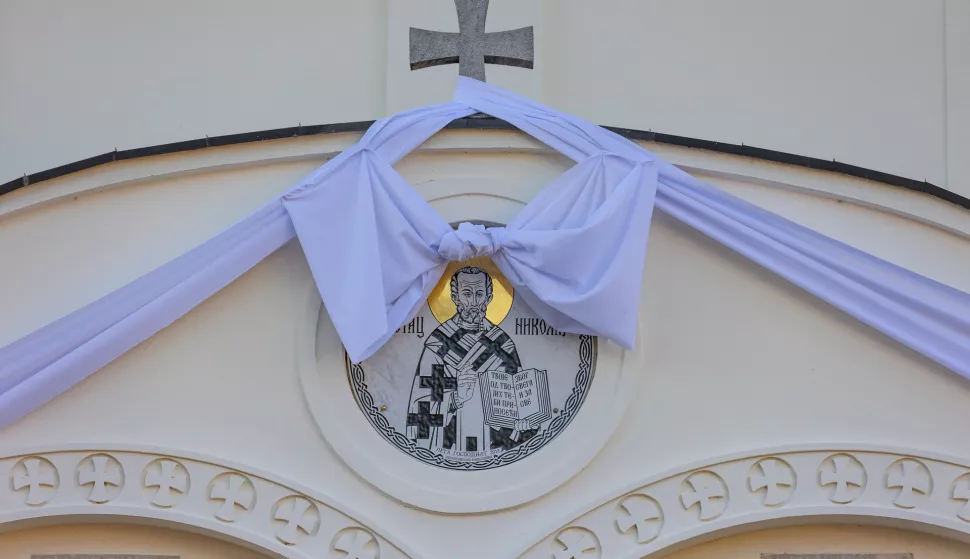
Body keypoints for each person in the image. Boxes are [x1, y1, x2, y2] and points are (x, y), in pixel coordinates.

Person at [406, 267, 537, 455]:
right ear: (455, 297)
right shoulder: (439, 343)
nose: (474, 302)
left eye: (479, 294)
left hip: (494, 446)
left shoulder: (502, 344)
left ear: (489, 297)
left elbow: (518, 403)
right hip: (449, 444)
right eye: (467, 294)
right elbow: (422, 410)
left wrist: (524, 421)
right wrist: (456, 398)